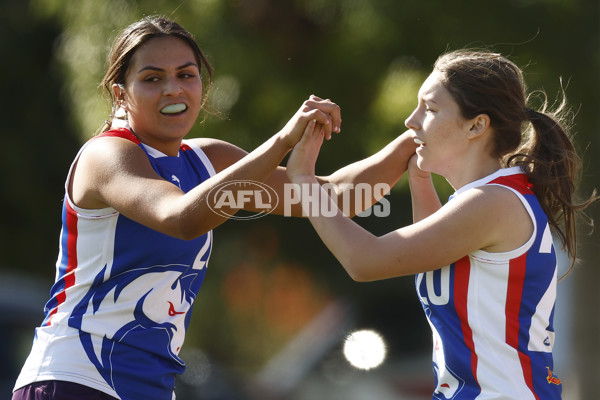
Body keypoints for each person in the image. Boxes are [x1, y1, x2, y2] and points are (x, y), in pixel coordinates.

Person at [12, 15, 417, 400]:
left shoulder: (209, 161)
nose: (173, 89)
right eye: (153, 78)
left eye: (186, 75)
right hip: (74, 378)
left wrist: (420, 136)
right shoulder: (107, 154)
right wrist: (281, 143)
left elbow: (335, 198)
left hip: (150, 387)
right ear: (121, 94)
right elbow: (182, 218)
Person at [286, 50, 598, 399]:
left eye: (430, 109)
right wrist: (420, 180)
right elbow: (435, 255)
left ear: (477, 126)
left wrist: (303, 180)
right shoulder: (490, 198)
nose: (411, 121)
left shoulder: (491, 203)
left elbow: (364, 260)